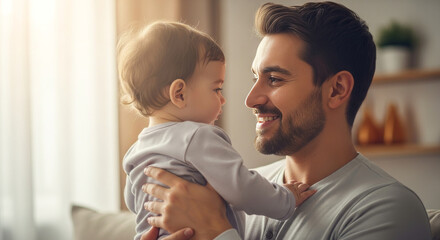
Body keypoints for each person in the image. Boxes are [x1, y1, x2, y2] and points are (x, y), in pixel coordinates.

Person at [140, 2, 432, 240]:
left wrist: (216, 230)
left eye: (275, 79)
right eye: (256, 78)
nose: (250, 99)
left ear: (337, 89)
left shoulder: (387, 209)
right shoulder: (234, 187)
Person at [117, 21, 315, 240]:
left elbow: (134, 202)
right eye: (216, 88)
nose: (223, 99)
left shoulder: (136, 151)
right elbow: (242, 188)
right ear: (179, 94)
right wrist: (286, 198)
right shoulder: (197, 136)